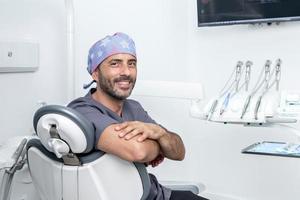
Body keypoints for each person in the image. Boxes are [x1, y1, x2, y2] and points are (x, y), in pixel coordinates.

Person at [68, 32, 208, 200]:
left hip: (156, 194)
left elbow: (179, 152)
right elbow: (138, 151)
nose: (126, 72)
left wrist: (160, 133)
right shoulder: (82, 111)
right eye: (115, 64)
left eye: (132, 63)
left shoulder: (133, 108)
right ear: (95, 73)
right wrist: (159, 148)